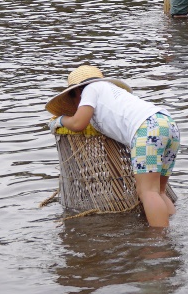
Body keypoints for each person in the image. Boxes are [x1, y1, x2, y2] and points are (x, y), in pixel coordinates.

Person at [47, 65, 180, 228]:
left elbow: (78, 123)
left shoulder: (89, 89)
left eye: (73, 100)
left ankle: (159, 243)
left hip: (147, 130)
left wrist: (58, 121)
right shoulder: (110, 92)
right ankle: (175, 229)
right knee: (159, 191)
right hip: (167, 124)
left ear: (77, 93)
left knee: (148, 192)